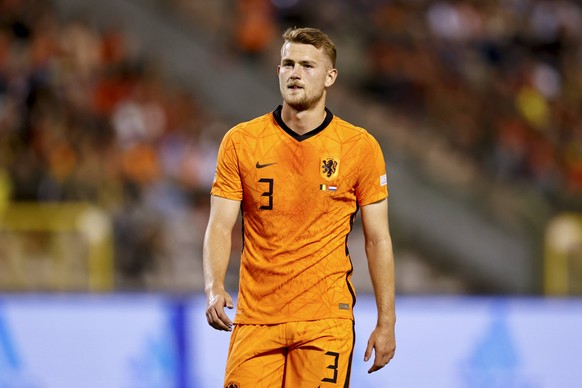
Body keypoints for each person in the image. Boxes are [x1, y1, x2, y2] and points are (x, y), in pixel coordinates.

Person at [203, 26, 396, 387]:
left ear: (330, 77)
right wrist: (214, 286)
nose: (295, 73)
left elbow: (378, 240)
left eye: (308, 65)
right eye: (288, 63)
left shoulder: (359, 146)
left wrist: (387, 322)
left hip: (325, 320)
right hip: (257, 317)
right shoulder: (241, 141)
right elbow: (219, 225)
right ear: (277, 71)